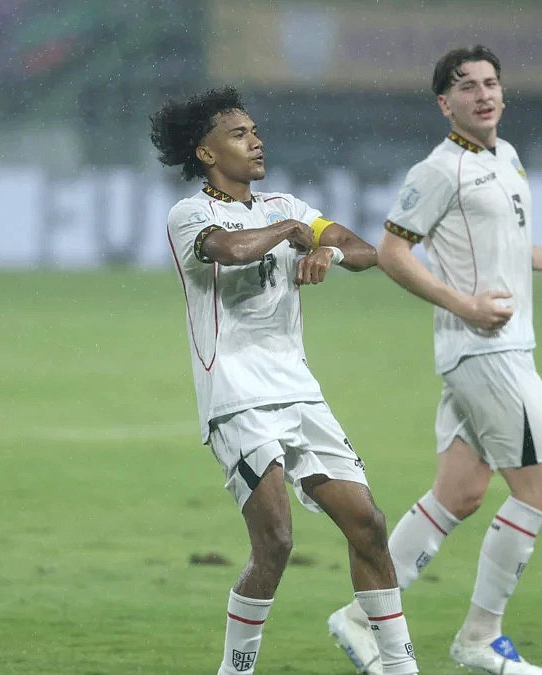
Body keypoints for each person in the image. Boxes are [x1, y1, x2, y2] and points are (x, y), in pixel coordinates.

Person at [329, 46, 542, 675]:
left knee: (460, 493)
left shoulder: (507, 156)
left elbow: (504, 245)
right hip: (487, 352)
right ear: (445, 104)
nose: (484, 94)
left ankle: (361, 617)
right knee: (541, 491)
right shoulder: (438, 171)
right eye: (468, 86)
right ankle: (481, 637)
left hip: (490, 349)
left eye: (491, 83)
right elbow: (393, 253)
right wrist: (465, 306)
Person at [150, 87, 418, 675]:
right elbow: (229, 249)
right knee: (274, 542)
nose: (256, 141)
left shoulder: (284, 205)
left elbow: (363, 249)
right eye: (239, 134)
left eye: (255, 131)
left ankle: (402, 669)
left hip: (300, 392)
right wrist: (291, 231)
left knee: (368, 525)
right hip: (236, 398)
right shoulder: (191, 214)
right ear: (206, 153)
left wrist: (329, 254)